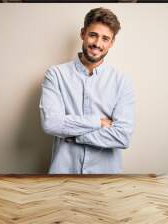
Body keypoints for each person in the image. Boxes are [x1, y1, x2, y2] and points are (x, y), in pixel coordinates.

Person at [39, 7, 135, 174]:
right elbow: (51, 124)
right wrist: (98, 122)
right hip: (63, 174)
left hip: (106, 178)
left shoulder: (122, 82)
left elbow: (122, 136)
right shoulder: (55, 74)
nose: (97, 44)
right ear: (83, 34)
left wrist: (72, 135)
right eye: (93, 35)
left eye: (105, 38)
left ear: (111, 43)